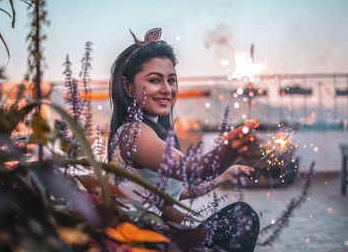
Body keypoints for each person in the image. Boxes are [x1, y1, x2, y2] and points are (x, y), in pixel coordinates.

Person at [108, 28, 260, 251]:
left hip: (162, 236)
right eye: (154, 80)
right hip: (141, 243)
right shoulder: (133, 133)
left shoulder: (154, 130)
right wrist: (227, 148)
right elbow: (190, 170)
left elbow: (182, 189)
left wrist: (225, 175)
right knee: (243, 217)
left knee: (240, 217)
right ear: (128, 86)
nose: (167, 89)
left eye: (172, 80)